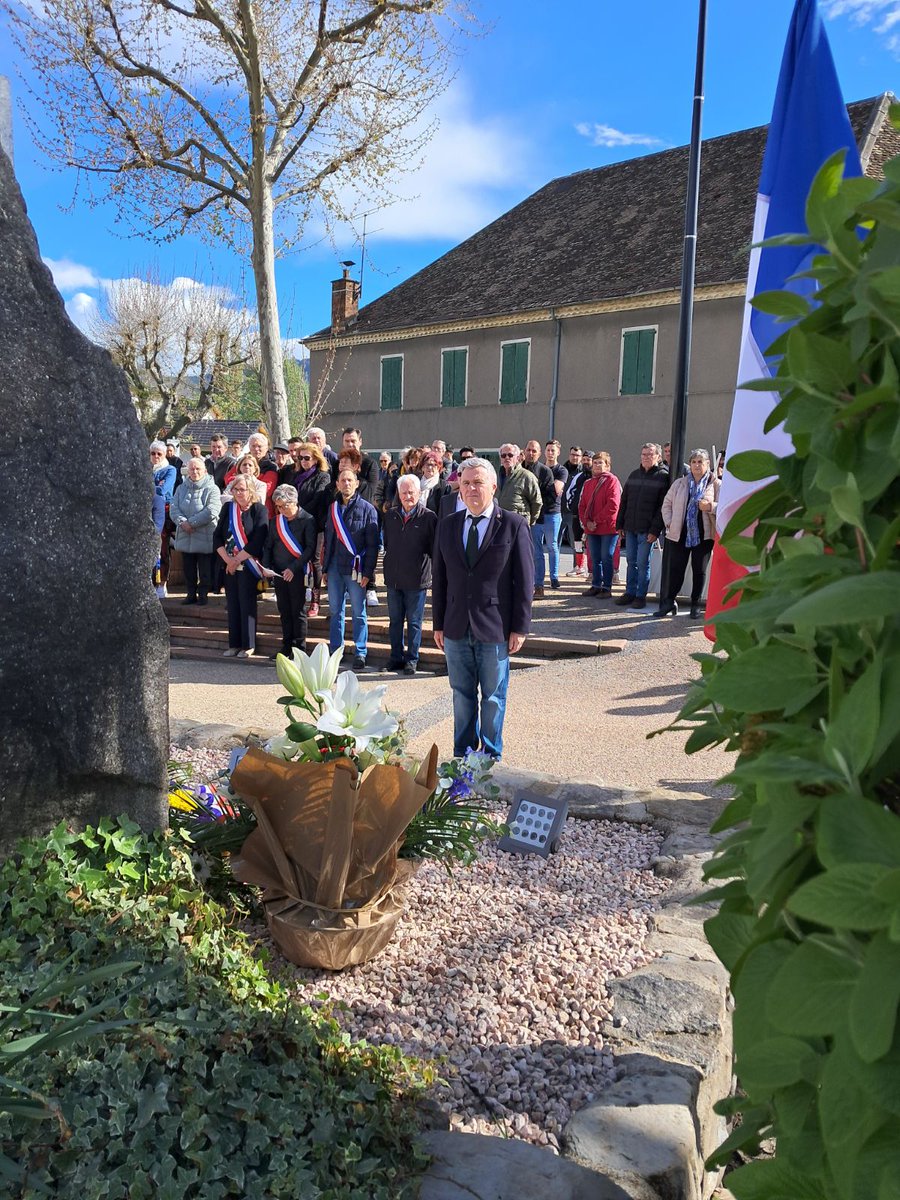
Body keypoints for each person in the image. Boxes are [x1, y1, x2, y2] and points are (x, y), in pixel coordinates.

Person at [431, 457, 533, 760]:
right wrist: (438, 623)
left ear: (493, 486)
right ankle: (462, 755)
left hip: (495, 627)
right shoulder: (447, 525)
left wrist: (520, 627)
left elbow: (524, 581)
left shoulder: (513, 525)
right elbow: (440, 578)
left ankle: (490, 756)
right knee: (461, 697)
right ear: (459, 489)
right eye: (466, 483)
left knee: (493, 698)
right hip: (455, 626)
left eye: (478, 482)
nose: (472, 488)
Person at [323, 467, 379, 670]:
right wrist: (324, 568)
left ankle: (360, 651)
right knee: (335, 611)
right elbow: (328, 541)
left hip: (357, 570)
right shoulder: (332, 509)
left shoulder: (368, 509)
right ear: (337, 484)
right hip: (334, 568)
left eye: (350, 480)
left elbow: (373, 546)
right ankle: (336, 650)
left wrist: (368, 573)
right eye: (342, 481)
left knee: (358, 612)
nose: (346, 484)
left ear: (356, 484)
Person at [382, 474, 437, 675]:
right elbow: (387, 543)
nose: (407, 496)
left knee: (414, 623)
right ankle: (396, 657)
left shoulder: (429, 517)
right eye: (404, 492)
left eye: (411, 492)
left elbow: (434, 550)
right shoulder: (390, 515)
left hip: (417, 581)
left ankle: (412, 659)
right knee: (395, 621)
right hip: (393, 579)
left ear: (419, 493)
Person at [655, 449, 719, 619]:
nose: (697, 465)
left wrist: (710, 507)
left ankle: (695, 604)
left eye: (701, 462)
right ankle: (668, 602)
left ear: (708, 464)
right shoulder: (680, 483)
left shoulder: (716, 484)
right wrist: (669, 522)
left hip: (703, 535)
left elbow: (726, 507)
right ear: (690, 465)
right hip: (680, 534)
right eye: (694, 462)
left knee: (699, 570)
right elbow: (666, 504)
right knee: (676, 570)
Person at [213, 475, 268, 657]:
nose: (238, 493)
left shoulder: (258, 509)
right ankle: (234, 644)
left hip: (248, 564)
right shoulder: (229, 508)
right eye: (235, 489)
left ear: (250, 490)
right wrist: (228, 560)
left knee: (247, 604)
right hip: (228, 564)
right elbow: (217, 536)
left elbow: (258, 539)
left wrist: (237, 559)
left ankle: (248, 645)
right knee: (233, 604)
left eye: (242, 489)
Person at [262, 483, 317, 656]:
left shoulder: (307, 519)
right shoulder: (276, 521)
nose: (280, 510)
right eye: (278, 507)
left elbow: (309, 548)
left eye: (284, 506)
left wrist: (293, 568)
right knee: (284, 611)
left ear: (294, 502)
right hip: (279, 572)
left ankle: (299, 650)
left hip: (297, 572)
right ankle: (286, 647)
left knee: (297, 611)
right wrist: (266, 567)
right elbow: (269, 546)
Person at [615, 443, 669, 610]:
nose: (646, 457)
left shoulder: (663, 477)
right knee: (631, 562)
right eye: (643, 454)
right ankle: (629, 592)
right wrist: (620, 524)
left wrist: (655, 530)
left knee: (643, 563)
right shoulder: (634, 475)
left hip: (647, 530)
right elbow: (624, 502)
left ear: (658, 457)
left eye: (650, 454)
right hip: (630, 527)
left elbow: (663, 508)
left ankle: (640, 595)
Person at [170, 456, 222, 605]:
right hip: (185, 534)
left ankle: (203, 594)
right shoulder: (181, 488)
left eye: (198, 468)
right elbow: (174, 508)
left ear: (205, 471)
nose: (194, 472)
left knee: (205, 569)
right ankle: (190, 593)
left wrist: (192, 523)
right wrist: (182, 522)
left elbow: (212, 510)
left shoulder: (212, 488)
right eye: (192, 469)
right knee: (188, 569)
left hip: (204, 534)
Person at [291, 441, 333, 618]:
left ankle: (316, 600)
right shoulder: (296, 476)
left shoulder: (323, 476)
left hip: (315, 524)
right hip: (296, 523)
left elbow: (317, 499)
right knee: (297, 557)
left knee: (314, 560)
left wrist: (297, 511)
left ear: (316, 459)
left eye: (307, 458)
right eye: (300, 458)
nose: (303, 461)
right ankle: (298, 596)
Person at [578, 452, 621, 598]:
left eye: (600, 463)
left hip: (608, 527)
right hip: (592, 528)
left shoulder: (612, 481)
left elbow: (613, 505)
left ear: (607, 466)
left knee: (606, 556)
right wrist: (587, 522)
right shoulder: (588, 483)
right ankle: (596, 585)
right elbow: (582, 505)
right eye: (595, 463)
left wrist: (596, 520)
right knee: (594, 557)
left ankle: (607, 587)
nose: (597, 465)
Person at [150, 439, 177, 598]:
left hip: (164, 512)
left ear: (164, 454)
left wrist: (151, 487)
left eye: (159, 453)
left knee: (163, 549)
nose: (155, 456)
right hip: (147, 511)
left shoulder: (170, 470)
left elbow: (164, 489)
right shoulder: (146, 468)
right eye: (152, 453)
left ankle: (162, 583)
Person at [497, 443, 542, 526]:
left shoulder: (527, 476)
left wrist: (528, 522)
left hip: (518, 524)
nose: (507, 458)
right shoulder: (497, 476)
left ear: (517, 458)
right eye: (503, 455)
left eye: (510, 455)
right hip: (501, 522)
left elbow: (537, 502)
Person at [562, 448, 590, 577]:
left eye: (588, 460)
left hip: (591, 517)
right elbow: (570, 492)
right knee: (578, 542)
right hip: (575, 514)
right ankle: (579, 567)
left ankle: (591, 570)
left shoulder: (598, 476)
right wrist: (572, 507)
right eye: (584, 460)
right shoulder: (579, 476)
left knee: (591, 543)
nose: (586, 462)